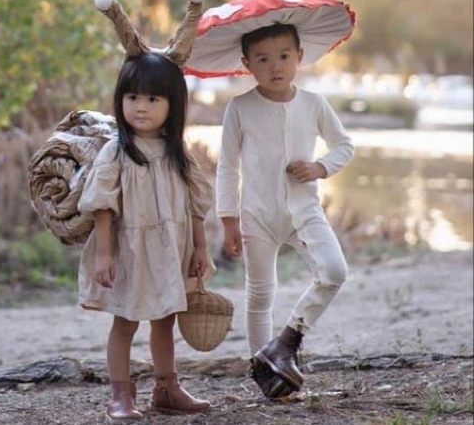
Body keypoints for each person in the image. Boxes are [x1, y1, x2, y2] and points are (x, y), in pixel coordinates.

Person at [216, 23, 355, 392]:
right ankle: (263, 373)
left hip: (304, 211)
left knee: (333, 271)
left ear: (299, 57)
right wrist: (227, 220)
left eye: (284, 57)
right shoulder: (240, 107)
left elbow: (344, 146)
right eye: (263, 59)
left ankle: (287, 342)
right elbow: (227, 166)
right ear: (247, 64)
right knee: (261, 293)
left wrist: (319, 167)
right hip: (257, 215)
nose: (275, 66)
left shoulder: (314, 104)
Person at [77, 52, 213, 422]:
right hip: (131, 251)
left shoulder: (178, 154)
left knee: (166, 318)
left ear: (174, 104)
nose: (141, 107)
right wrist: (104, 255)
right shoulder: (117, 152)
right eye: (133, 97)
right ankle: (120, 394)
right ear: (120, 100)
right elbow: (103, 206)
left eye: (154, 99)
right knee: (125, 320)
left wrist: (200, 248)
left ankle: (167, 387)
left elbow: (196, 203)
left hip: (171, 248)